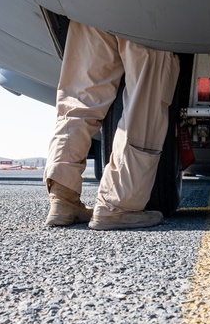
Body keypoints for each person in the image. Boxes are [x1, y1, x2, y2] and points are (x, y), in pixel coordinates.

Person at [43, 22, 180, 229]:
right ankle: (117, 204)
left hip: (85, 2)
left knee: (79, 99)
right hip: (145, 4)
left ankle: (63, 198)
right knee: (143, 100)